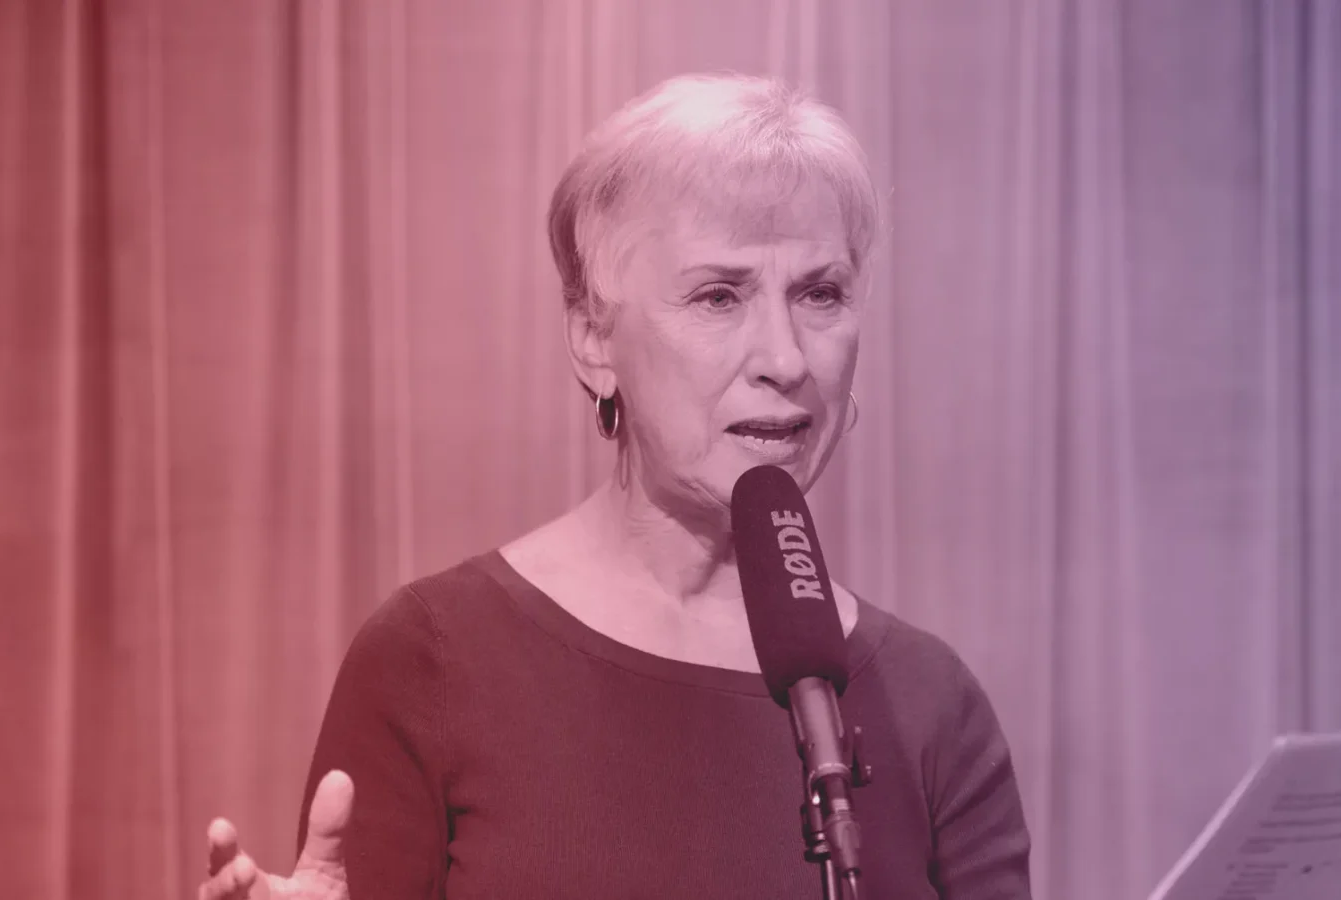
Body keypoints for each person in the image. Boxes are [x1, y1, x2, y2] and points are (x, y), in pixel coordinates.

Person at [197, 71, 1030, 900]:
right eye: (718, 296)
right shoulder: (435, 659)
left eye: (820, 294)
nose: (784, 359)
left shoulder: (930, 704)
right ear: (594, 340)